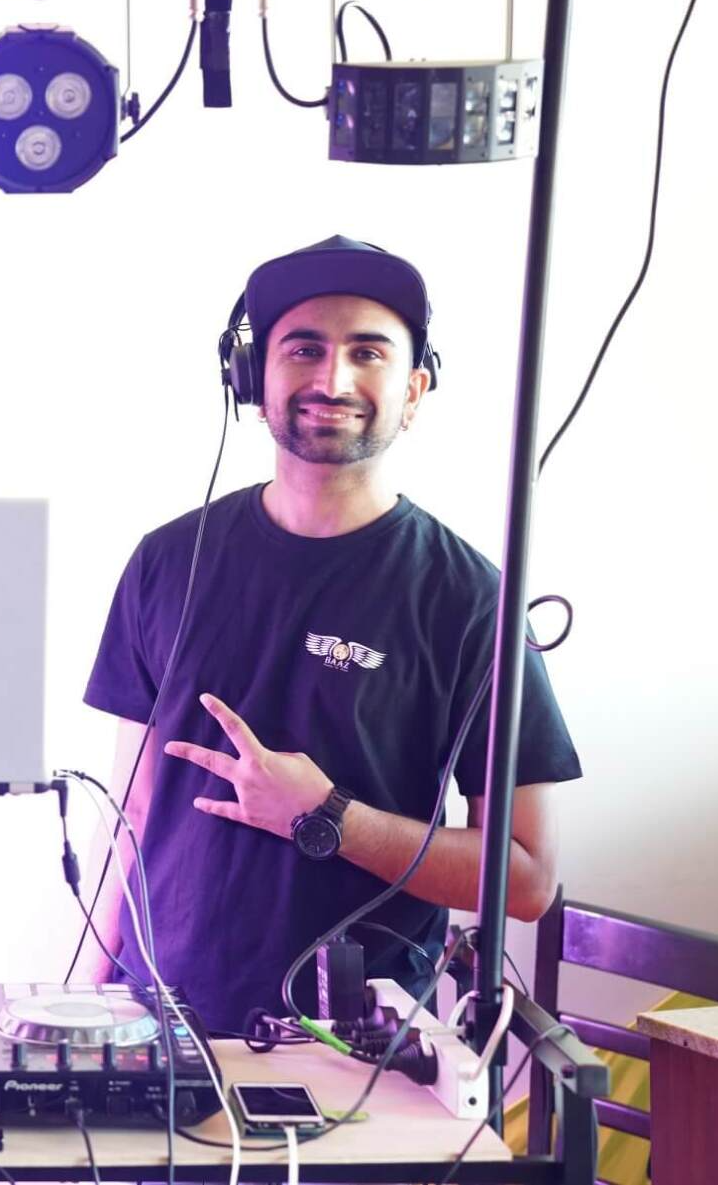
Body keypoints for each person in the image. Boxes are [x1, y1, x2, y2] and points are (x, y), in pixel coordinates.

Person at [78, 235, 581, 1032]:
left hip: (358, 1048)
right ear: (253, 378)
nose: (332, 379)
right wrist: (85, 996)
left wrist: (327, 816)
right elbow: (130, 810)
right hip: (158, 1026)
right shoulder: (164, 561)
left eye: (366, 352)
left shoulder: (471, 600)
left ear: (413, 390)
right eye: (303, 348)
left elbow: (524, 880)